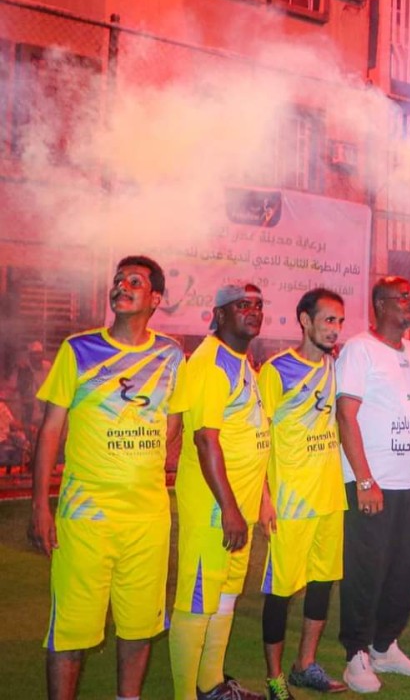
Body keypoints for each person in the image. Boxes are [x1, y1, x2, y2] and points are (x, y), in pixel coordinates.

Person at [28, 256, 186, 700]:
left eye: (135, 281)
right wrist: (42, 505)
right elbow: (51, 430)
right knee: (72, 631)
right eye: (118, 280)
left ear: (155, 298)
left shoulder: (171, 355)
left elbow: (172, 426)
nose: (122, 286)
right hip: (85, 518)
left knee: (139, 626)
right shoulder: (78, 349)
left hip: (148, 520)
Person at [171, 284, 270, 700]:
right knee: (197, 599)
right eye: (242, 305)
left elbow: (251, 433)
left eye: (258, 305)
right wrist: (229, 507)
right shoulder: (211, 363)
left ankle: (211, 684)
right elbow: (205, 439)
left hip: (240, 508)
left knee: (225, 597)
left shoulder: (244, 362)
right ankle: (184, 695)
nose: (253, 311)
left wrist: (258, 501)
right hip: (215, 509)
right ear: (220, 314)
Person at [335, 278, 410, 690]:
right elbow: (346, 416)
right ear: (379, 304)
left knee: (403, 570)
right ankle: (355, 653)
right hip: (376, 482)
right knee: (366, 570)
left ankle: (384, 645)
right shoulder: (359, 350)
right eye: (404, 298)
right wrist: (365, 479)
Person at [258, 289, 348, 699]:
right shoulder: (276, 372)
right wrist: (263, 497)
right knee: (280, 591)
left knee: (321, 585)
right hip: (290, 504)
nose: (334, 329)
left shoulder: (337, 368)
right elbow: (258, 440)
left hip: (329, 499)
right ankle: (275, 677)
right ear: (304, 320)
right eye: (328, 320)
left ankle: (304, 664)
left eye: (339, 322)